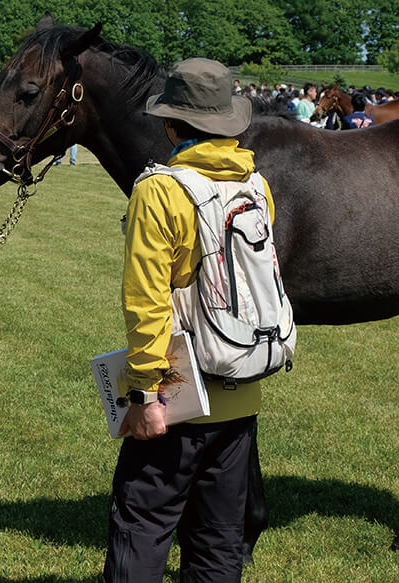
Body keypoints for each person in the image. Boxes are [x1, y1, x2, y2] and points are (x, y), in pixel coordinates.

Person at [103, 58, 271, 583]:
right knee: (218, 540)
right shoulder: (257, 185)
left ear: (172, 125)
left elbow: (147, 302)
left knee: (142, 526)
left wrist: (149, 394)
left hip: (178, 401)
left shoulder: (159, 190)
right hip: (241, 391)